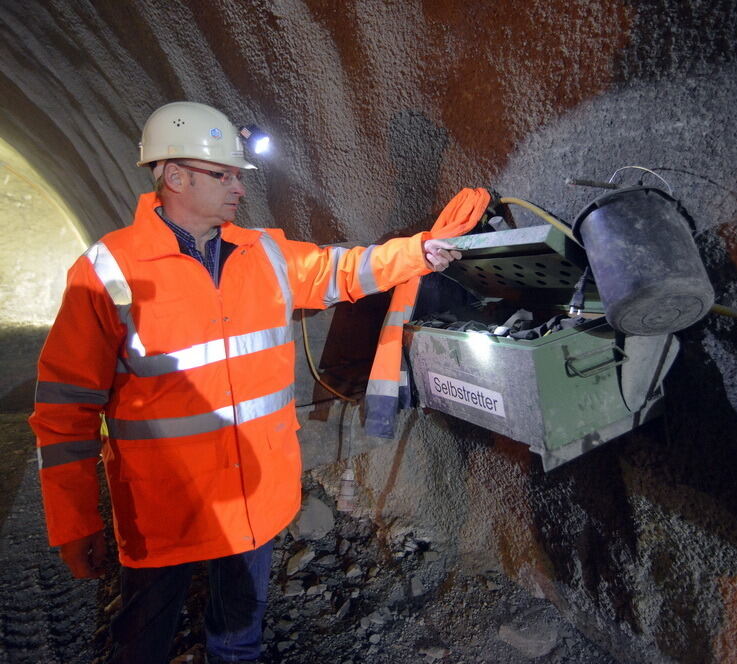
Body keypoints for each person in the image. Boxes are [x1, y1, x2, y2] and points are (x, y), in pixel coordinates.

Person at [29, 101, 462, 664]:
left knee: (238, 641)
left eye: (239, 174)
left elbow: (341, 269)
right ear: (175, 176)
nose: (239, 187)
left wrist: (419, 252)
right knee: (141, 644)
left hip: (252, 503)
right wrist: (74, 521)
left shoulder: (265, 254)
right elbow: (64, 412)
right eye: (224, 174)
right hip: (163, 510)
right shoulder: (108, 271)